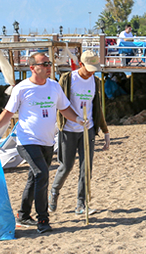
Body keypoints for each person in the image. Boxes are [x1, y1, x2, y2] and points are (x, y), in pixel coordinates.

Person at [0, 52, 85, 234]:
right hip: (27, 140)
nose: (49, 66)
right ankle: (43, 219)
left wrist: (79, 120)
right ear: (33, 67)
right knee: (42, 173)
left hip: (48, 140)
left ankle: (23, 215)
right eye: (44, 64)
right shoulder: (22, 88)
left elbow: (64, 108)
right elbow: (9, 112)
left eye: (50, 63)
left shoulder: (54, 87)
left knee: (34, 178)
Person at [49, 50, 110, 215]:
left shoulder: (95, 81)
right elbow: (59, 104)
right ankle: (54, 191)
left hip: (87, 130)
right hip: (68, 130)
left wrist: (105, 131)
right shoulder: (68, 79)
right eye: (88, 68)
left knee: (86, 168)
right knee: (66, 166)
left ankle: (81, 204)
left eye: (94, 68)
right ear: (80, 64)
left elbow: (97, 108)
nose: (91, 72)